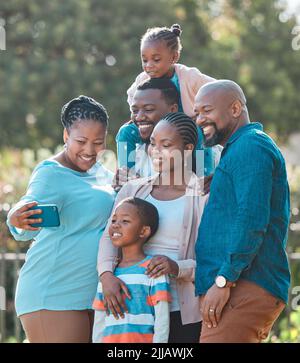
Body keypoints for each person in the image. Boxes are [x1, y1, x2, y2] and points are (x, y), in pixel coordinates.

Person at [6, 95, 115, 343]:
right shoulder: (50, 172)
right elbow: (27, 212)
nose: (90, 150)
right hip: (53, 291)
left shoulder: (103, 173)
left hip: (91, 293)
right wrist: (16, 217)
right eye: (81, 141)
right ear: (66, 136)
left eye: (98, 142)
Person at [193, 80, 291, 343]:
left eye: (206, 110)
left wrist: (225, 279)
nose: (200, 119)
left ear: (235, 108)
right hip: (237, 287)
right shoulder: (238, 151)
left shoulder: (251, 146)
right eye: (197, 113)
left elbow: (251, 218)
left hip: (241, 286)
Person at [98, 112, 208, 343]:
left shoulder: (203, 196)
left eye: (166, 145)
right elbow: (110, 236)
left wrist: (177, 267)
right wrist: (106, 276)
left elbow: (213, 259)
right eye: (153, 143)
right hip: (131, 304)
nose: (155, 151)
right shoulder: (132, 190)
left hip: (180, 311)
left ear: (188, 148)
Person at [116, 78, 219, 192]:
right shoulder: (134, 146)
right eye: (134, 111)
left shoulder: (212, 151)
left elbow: (204, 188)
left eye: (149, 109)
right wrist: (121, 183)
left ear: (173, 109)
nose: (139, 117)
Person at [92, 197, 171, 343]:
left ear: (143, 231)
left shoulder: (153, 270)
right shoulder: (108, 276)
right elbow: (99, 323)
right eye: (114, 220)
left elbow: (162, 322)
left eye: (125, 221)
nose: (115, 225)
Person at [127, 24, 215, 117]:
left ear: (174, 57)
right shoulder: (142, 79)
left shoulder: (189, 77)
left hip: (191, 126)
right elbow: (131, 95)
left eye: (156, 59)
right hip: (155, 126)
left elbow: (217, 89)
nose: (148, 65)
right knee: (127, 130)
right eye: (145, 60)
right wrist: (136, 113)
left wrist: (203, 114)